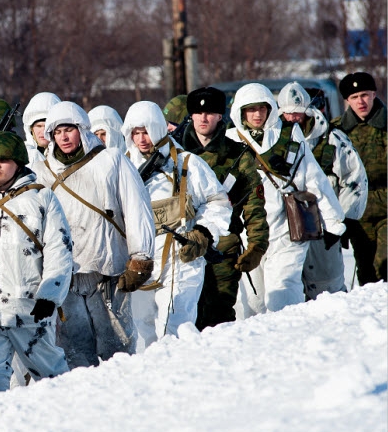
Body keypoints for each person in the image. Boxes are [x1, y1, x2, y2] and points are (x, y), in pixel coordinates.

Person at [30, 101, 156, 368]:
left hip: (108, 271)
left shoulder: (111, 161)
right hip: (66, 275)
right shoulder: (41, 172)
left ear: (82, 129)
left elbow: (136, 208)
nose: (63, 137)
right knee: (75, 354)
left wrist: (141, 255)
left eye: (69, 129)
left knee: (117, 352)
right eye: (57, 132)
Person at [226, 83, 347, 317]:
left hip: (287, 229)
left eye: (262, 108)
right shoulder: (230, 140)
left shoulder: (289, 134)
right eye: (251, 110)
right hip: (248, 234)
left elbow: (314, 178)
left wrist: (333, 222)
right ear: (241, 112)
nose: (258, 114)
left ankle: (290, 339)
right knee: (254, 302)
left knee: (284, 295)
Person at [0, 132, 73, 391]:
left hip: (30, 310)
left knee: (53, 380)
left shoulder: (41, 198)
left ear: (18, 162)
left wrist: (50, 295)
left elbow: (59, 248)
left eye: (3, 159)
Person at [122, 101, 232, 346]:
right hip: (138, 260)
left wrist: (203, 232)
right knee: (143, 333)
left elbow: (217, 201)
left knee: (175, 329)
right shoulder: (121, 167)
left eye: (147, 131)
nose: (142, 139)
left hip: (180, 258)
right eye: (136, 133)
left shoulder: (187, 164)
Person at [177, 87, 269, 330]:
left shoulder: (237, 155)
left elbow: (253, 204)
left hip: (223, 246)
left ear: (221, 116)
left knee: (219, 315)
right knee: (185, 318)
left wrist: (257, 245)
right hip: (182, 246)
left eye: (210, 112)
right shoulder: (173, 154)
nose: (204, 118)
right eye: (198, 113)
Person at [277, 81, 368, 299]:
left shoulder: (332, 139)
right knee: (288, 290)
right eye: (287, 113)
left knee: (328, 288)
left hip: (324, 228)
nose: (293, 118)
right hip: (285, 228)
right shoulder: (273, 141)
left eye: (298, 112)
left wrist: (343, 220)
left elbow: (355, 179)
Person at [330, 71, 386, 284]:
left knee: (384, 263)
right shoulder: (337, 131)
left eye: (364, 94)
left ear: (373, 94)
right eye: (354, 97)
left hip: (385, 209)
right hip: (356, 213)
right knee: (366, 271)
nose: (360, 101)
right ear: (347, 101)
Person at [21, 92, 60, 163]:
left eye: (47, 126)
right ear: (31, 129)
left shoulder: (66, 156)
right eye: (39, 126)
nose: (43, 131)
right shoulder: (21, 154)